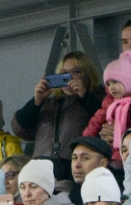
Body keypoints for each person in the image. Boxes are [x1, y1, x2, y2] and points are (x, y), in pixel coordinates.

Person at [10, 51, 103, 181]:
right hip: (41, 165)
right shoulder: (48, 103)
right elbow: (20, 128)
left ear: (88, 75)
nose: (69, 77)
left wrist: (84, 95)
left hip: (75, 167)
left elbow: (103, 121)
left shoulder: (97, 99)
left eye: (76, 72)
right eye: (64, 73)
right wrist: (36, 102)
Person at [82, 50, 131, 163]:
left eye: (115, 82)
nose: (111, 87)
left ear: (128, 81)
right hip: (113, 153)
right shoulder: (109, 104)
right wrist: (85, 142)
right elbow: (95, 123)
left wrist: (125, 132)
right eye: (108, 84)